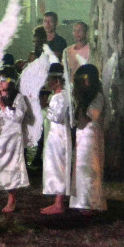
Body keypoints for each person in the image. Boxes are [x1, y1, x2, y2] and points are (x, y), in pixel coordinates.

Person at [0, 74, 37, 214]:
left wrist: (4, 107)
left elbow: (18, 117)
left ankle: (12, 200)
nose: (1, 82)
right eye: (0, 80)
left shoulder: (18, 98)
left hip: (11, 139)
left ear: (11, 82)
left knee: (11, 168)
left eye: (4, 80)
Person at [69, 63, 107, 213]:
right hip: (81, 137)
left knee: (90, 170)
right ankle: (80, 201)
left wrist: (80, 101)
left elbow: (89, 117)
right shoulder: (84, 98)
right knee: (80, 169)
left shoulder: (98, 97)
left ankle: (91, 203)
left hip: (92, 139)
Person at [38, 67, 72, 215]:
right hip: (54, 135)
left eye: (49, 80)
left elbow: (57, 117)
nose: (46, 83)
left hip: (60, 136)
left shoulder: (63, 96)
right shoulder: (55, 96)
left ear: (57, 81)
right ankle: (57, 201)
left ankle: (59, 203)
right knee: (54, 165)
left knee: (59, 166)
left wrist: (45, 107)